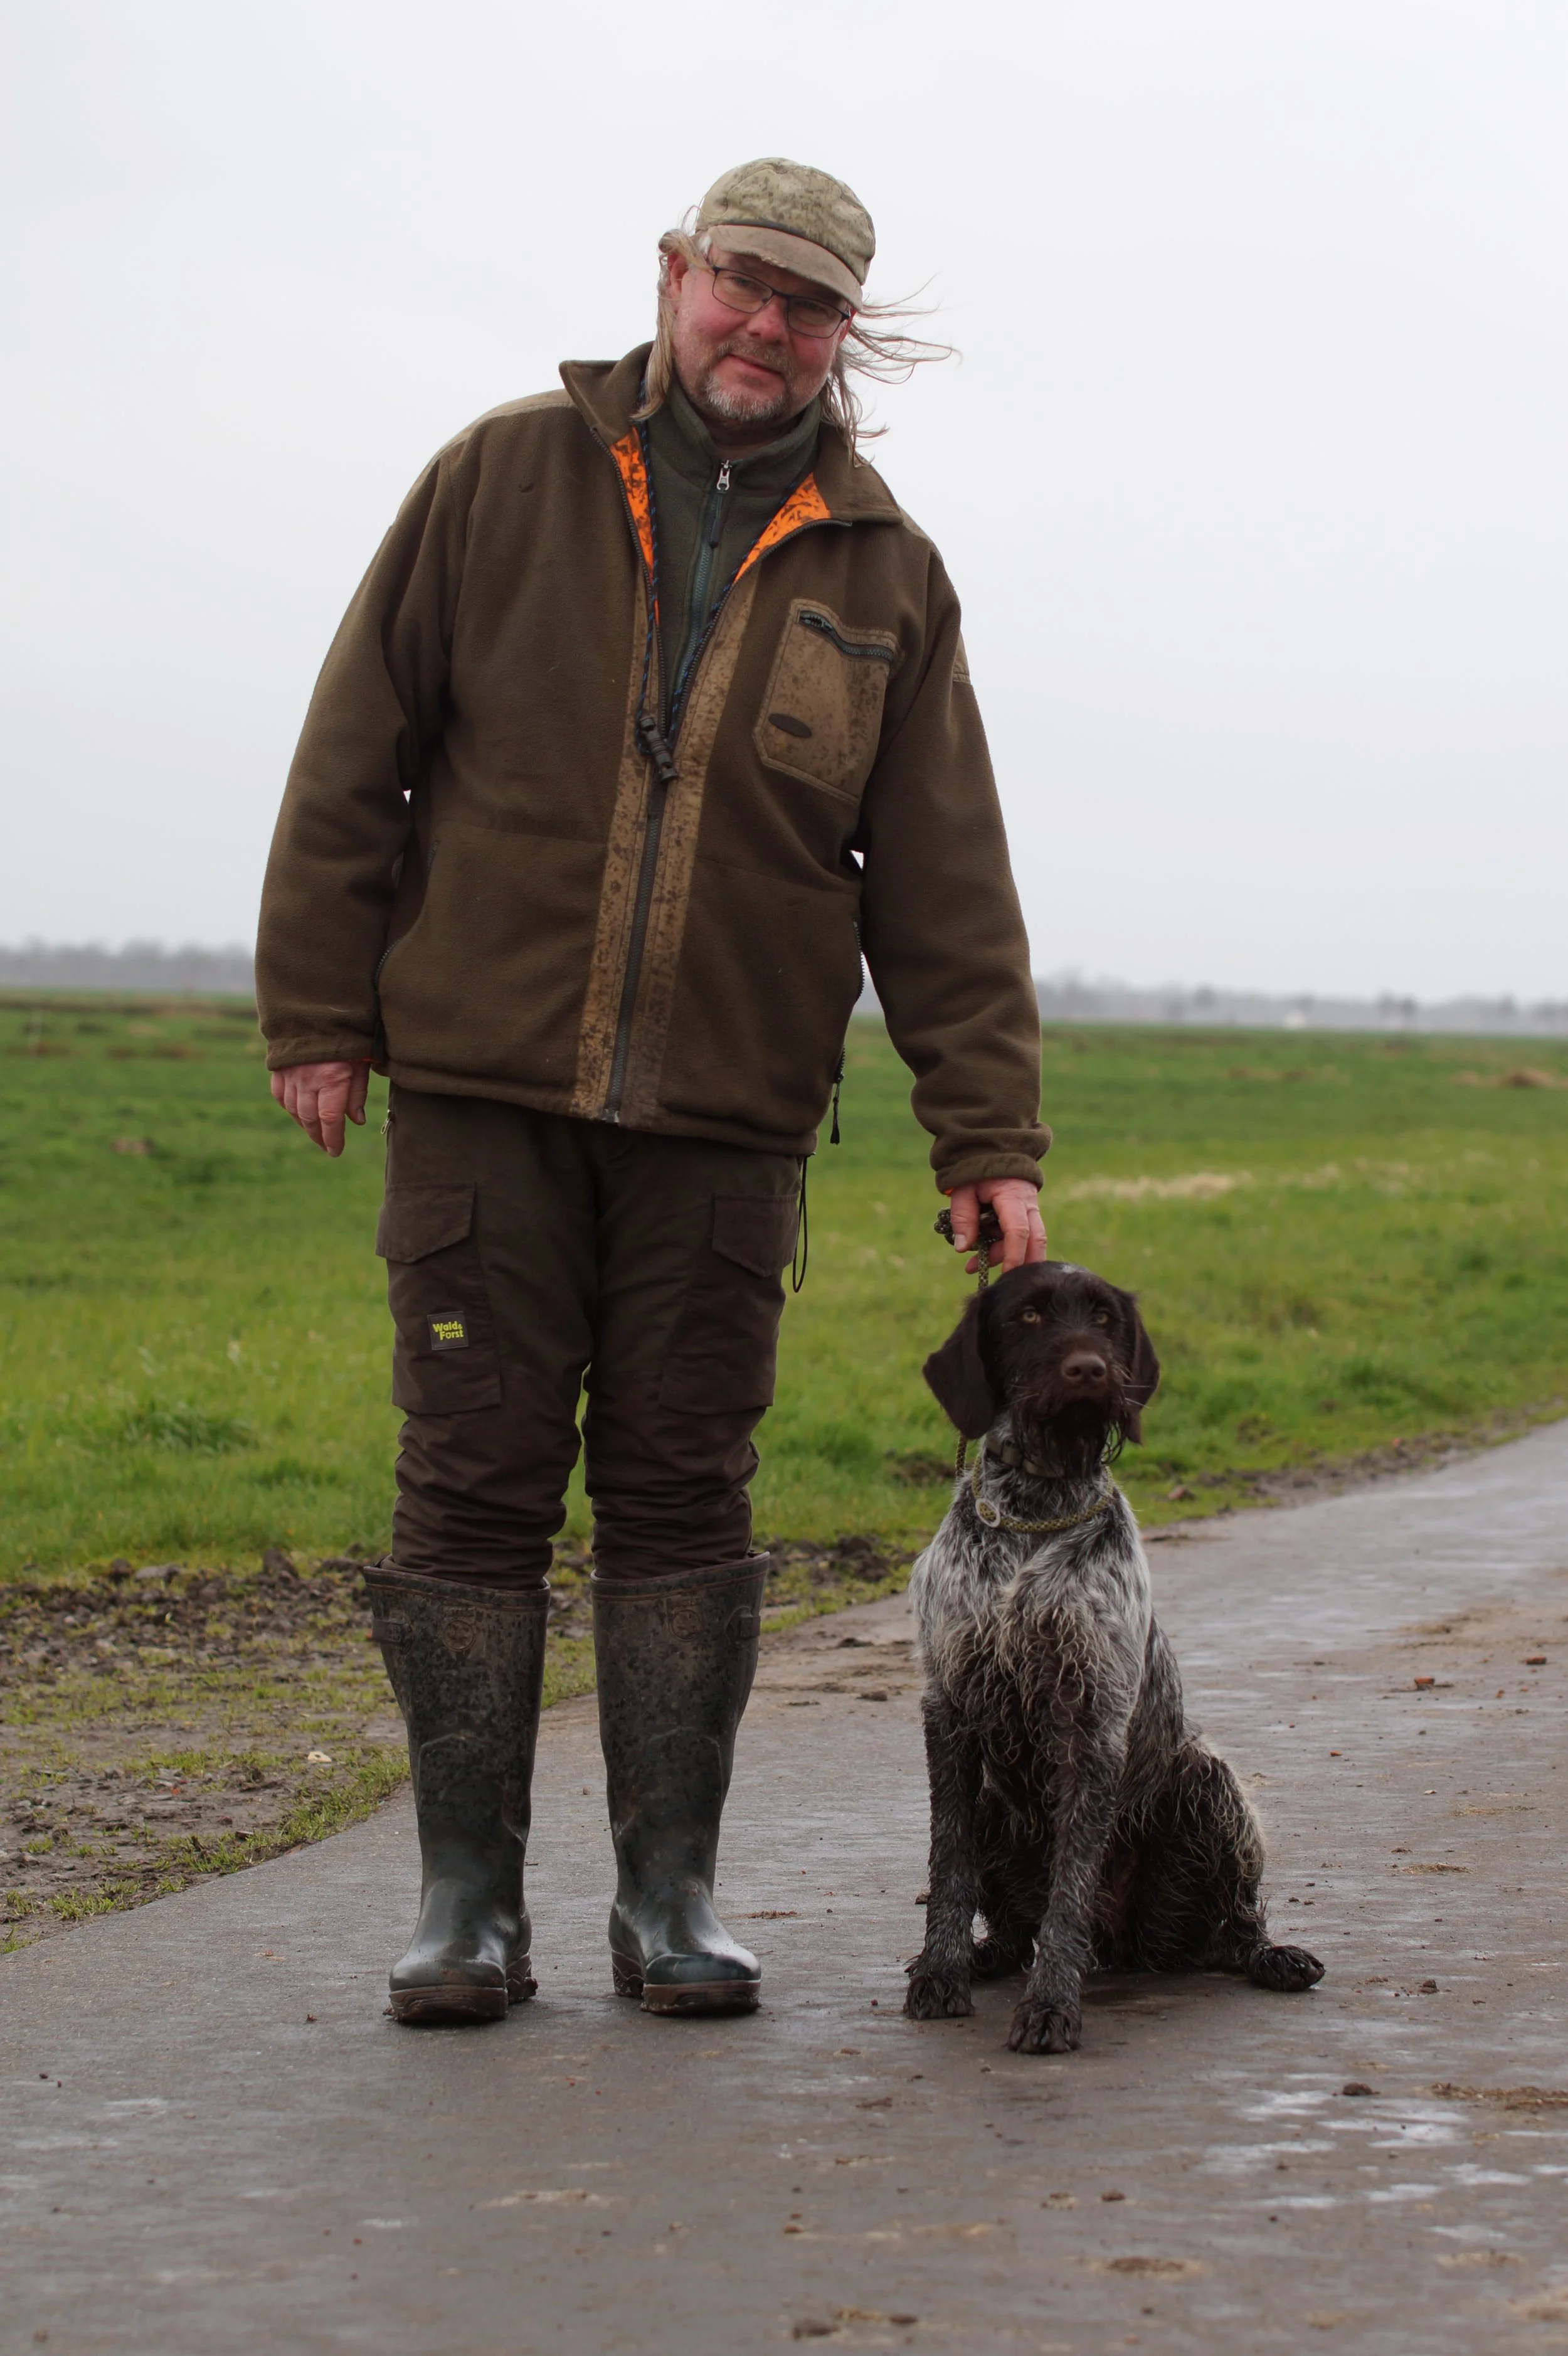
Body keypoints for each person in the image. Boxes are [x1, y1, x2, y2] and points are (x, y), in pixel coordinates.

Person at [256, 157, 1049, 2027]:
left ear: (844, 334)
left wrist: (987, 1134)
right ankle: (466, 1907)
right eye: (740, 282)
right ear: (676, 273)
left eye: (808, 304)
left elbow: (944, 881)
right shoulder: (499, 478)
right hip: (484, 1092)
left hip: (725, 1120)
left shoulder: (885, 569)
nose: (764, 326)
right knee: (470, 1482)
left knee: (686, 1489)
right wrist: (317, 1007)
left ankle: (666, 1898)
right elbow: (355, 748)